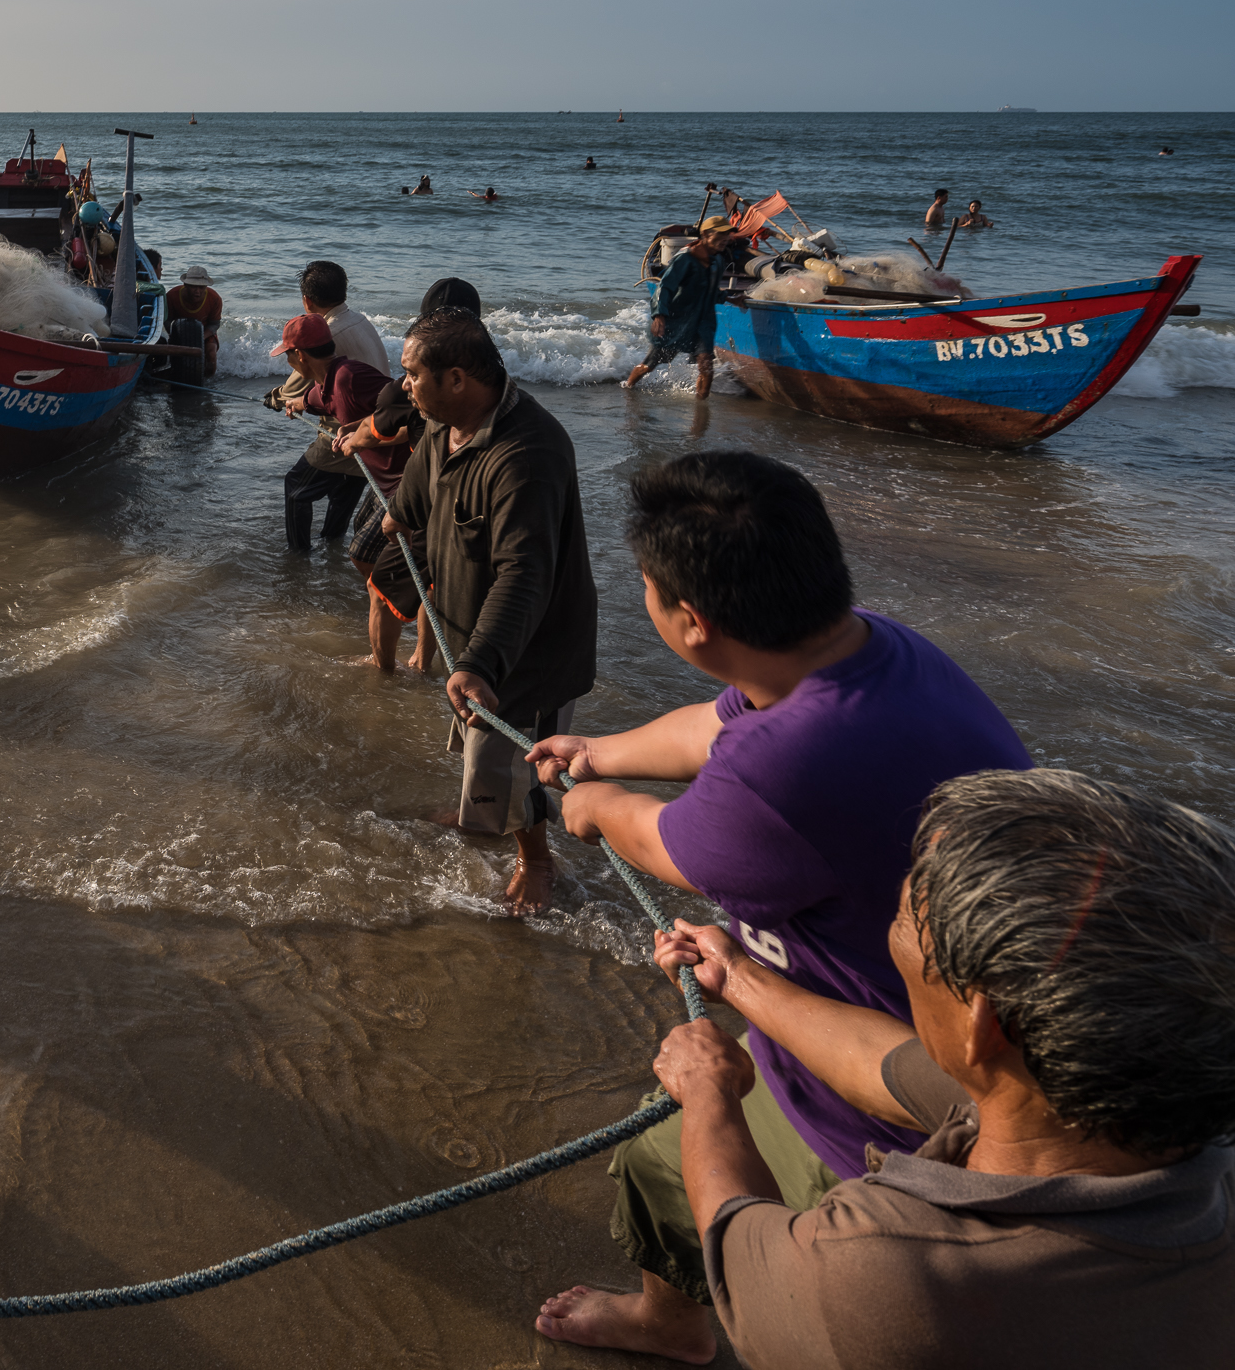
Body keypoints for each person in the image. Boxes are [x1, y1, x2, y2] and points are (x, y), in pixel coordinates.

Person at [527, 451, 1031, 1357]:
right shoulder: (866, 645)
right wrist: (599, 752)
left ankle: (677, 1322)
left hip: (907, 1100)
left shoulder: (779, 773)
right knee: (664, 1143)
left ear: (691, 620)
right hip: (918, 1021)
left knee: (668, 1163)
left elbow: (674, 841)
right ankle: (674, 1318)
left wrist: (596, 807)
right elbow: (718, 722)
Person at [553, 769, 1235, 1367]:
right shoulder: (1111, 1112)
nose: (893, 930)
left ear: (984, 1023)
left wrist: (709, 1095)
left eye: (907, 919)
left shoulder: (889, 1267)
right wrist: (737, 976)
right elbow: (887, 1062)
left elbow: (744, 1247)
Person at [393, 308, 594, 915]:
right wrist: (390, 523)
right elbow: (415, 495)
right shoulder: (440, 424)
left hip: (526, 652)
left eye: (412, 374)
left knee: (512, 762)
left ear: (457, 379)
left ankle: (537, 860)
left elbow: (524, 574)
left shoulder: (525, 454)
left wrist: (480, 661)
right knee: (478, 750)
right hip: (473, 642)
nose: (405, 385)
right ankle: (476, 813)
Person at [336, 279, 479, 670]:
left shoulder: (413, 381)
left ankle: (382, 671)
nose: (406, 379)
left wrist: (354, 440)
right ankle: (421, 659)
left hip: (429, 505)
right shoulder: (485, 377)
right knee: (429, 586)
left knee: (379, 590)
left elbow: (375, 427)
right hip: (470, 505)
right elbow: (416, 426)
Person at [275, 312, 383, 553]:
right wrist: (296, 404)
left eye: (287, 355)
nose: (287, 361)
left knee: (296, 489)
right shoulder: (330, 379)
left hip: (393, 473)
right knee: (345, 493)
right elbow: (313, 400)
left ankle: (298, 556)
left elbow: (399, 411)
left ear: (300, 355)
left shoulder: (346, 378)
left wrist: (359, 434)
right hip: (365, 463)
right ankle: (331, 549)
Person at [624, 226, 728, 397]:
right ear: (706, 236)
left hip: (703, 322)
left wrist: (729, 298)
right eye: (719, 239)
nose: (723, 243)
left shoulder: (717, 261)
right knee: (650, 364)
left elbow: (710, 291)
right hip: (676, 321)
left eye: (726, 240)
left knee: (706, 365)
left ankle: (701, 411)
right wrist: (659, 316)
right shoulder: (685, 259)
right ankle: (628, 388)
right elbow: (664, 288)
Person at [163, 263, 224, 375]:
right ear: (185, 285)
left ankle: (208, 382)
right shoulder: (171, 296)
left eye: (201, 287)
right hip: (179, 332)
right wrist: (176, 336)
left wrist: (200, 337)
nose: (197, 291)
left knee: (211, 354)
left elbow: (214, 324)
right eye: (193, 286)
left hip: (204, 332)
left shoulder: (215, 299)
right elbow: (167, 321)